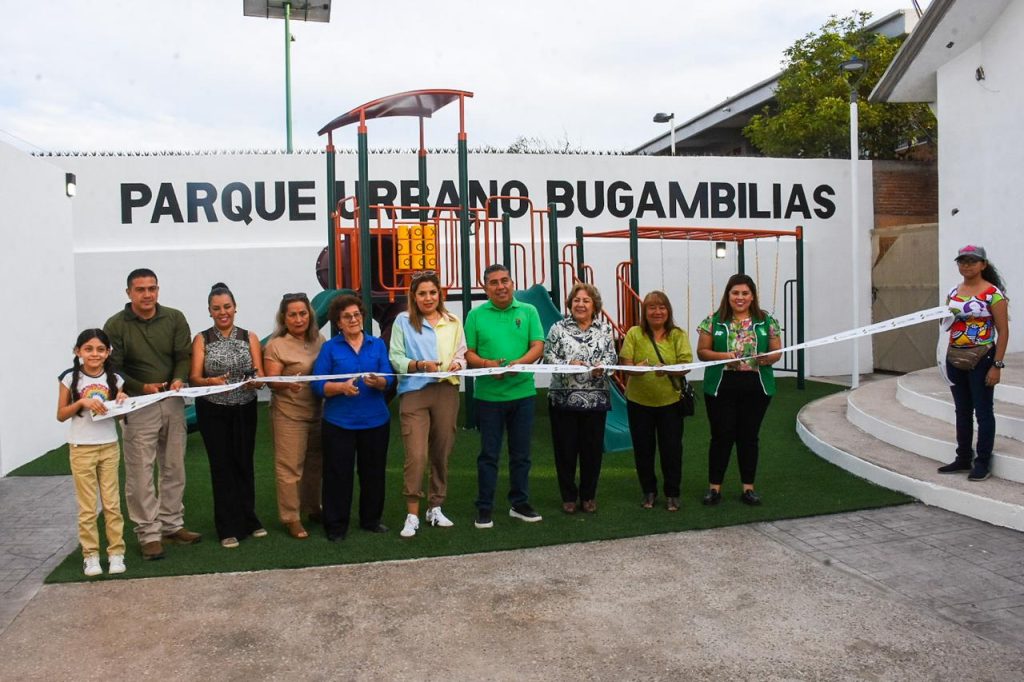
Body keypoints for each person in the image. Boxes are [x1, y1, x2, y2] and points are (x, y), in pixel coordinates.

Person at [103, 268, 200, 561]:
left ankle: (171, 525)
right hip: (136, 404)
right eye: (141, 289)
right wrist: (140, 386)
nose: (147, 294)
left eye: (152, 288)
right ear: (129, 293)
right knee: (140, 473)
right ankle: (148, 534)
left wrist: (179, 379)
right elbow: (114, 367)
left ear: (158, 290)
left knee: (174, 466)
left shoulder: (174, 317)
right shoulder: (115, 324)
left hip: (172, 400)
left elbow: (183, 355)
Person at [465, 263, 545, 529]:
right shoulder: (475, 316)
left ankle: (519, 504)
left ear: (512, 283)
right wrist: (488, 365)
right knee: (488, 455)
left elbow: (538, 345)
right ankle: (484, 507)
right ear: (485, 288)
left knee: (521, 454)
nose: (501, 286)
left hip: (523, 393)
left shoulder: (529, 310)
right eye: (494, 283)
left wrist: (518, 364)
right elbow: (469, 353)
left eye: (505, 280)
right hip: (489, 397)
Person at [389, 271, 467, 538]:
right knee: (417, 455)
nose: (428, 297)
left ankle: (436, 506)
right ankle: (412, 514)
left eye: (432, 292)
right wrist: (419, 365)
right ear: (414, 296)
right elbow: (396, 357)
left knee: (441, 451)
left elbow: (462, 354)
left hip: (447, 390)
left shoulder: (453, 321)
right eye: (422, 293)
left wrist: (458, 364)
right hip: (415, 391)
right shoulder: (403, 321)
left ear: (439, 294)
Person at [311, 295, 394, 540]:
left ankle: (371, 520)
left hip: (376, 421)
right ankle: (336, 526)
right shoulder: (329, 348)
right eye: (347, 316)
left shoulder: (377, 344)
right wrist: (340, 388)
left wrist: (380, 382)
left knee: (374, 473)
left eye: (357, 314)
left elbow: (389, 377)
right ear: (338, 322)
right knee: (338, 475)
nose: (354, 319)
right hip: (339, 423)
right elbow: (317, 385)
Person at [190, 283, 266, 548]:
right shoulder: (202, 339)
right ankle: (227, 527)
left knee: (244, 463)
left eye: (227, 307)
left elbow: (260, 375)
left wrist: (254, 383)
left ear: (235, 308)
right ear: (210, 312)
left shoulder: (250, 337)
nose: (223, 312)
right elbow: (194, 378)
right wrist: (211, 381)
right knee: (222, 467)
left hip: (245, 407)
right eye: (216, 308)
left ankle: (249, 518)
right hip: (213, 409)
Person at [696, 274, 782, 506]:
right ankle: (714, 488)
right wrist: (724, 357)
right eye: (735, 293)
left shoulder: (767, 321)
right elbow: (702, 352)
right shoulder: (712, 321)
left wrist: (766, 359)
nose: (740, 297)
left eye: (745, 293)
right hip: (721, 386)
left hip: (756, 386)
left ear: (752, 296)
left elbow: (776, 351)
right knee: (721, 437)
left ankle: (748, 488)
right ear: (728, 295)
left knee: (749, 438)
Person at [57, 329, 129, 577]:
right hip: (81, 448)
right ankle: (90, 556)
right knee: (87, 507)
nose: (94, 354)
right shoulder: (69, 379)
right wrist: (81, 403)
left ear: (108, 352)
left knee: (112, 504)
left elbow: (120, 415)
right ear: (78, 352)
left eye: (100, 349)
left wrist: (123, 401)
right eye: (88, 349)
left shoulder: (116, 379)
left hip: (109, 445)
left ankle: (116, 553)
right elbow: (61, 415)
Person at [543, 282, 617, 514]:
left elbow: (612, 359)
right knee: (565, 451)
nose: (581, 304)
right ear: (570, 304)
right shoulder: (558, 328)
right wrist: (568, 365)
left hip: (596, 401)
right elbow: (548, 358)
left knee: (592, 451)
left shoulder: (604, 330)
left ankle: (588, 496)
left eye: (586, 300)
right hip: (563, 401)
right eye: (576, 300)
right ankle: (568, 496)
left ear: (594, 304)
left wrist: (601, 368)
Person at [937, 245, 1009, 481]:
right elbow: (946, 324)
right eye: (962, 261)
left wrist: (996, 365)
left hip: (982, 357)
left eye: (972, 261)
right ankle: (963, 457)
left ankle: (983, 462)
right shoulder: (953, 292)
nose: (966, 265)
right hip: (955, 357)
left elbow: (1003, 331)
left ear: (983, 265)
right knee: (962, 411)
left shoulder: (992, 294)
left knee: (984, 412)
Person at [620, 290, 693, 512]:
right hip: (638, 403)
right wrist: (637, 370)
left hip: (670, 402)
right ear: (645, 311)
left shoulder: (678, 334)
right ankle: (648, 492)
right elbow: (625, 363)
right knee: (643, 449)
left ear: (668, 311)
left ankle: (673, 493)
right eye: (652, 307)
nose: (657, 311)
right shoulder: (634, 333)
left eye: (662, 307)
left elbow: (686, 364)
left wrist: (670, 370)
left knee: (672, 450)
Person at [263, 292, 325, 540]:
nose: (299, 319)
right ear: (284, 318)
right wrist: (287, 384)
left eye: (303, 313)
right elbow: (272, 381)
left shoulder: (319, 339)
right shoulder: (277, 345)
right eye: (293, 315)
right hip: (289, 414)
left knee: (315, 464)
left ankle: (313, 507)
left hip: (318, 412)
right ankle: (291, 517)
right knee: (290, 468)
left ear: (309, 315)